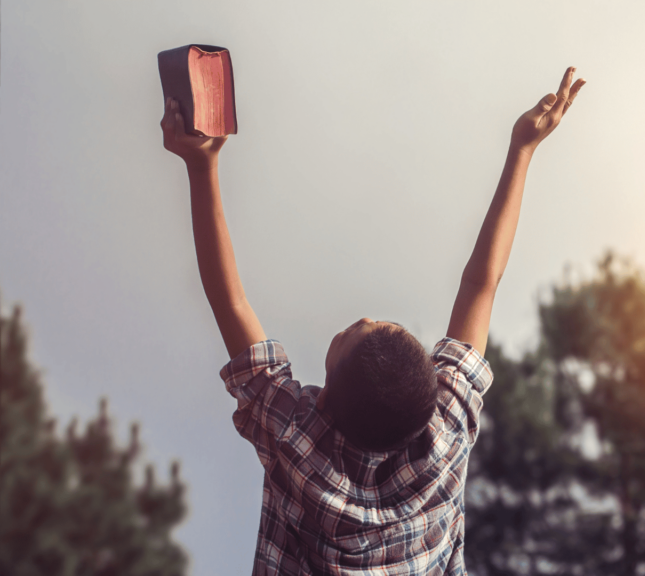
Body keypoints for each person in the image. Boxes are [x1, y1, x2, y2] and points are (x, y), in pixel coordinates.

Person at [160, 66, 585, 575]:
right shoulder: (444, 435)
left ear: (323, 402)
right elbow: (482, 283)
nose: (361, 316)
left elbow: (229, 304)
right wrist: (523, 151)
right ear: (432, 382)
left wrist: (201, 168)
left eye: (343, 337)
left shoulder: (299, 439)